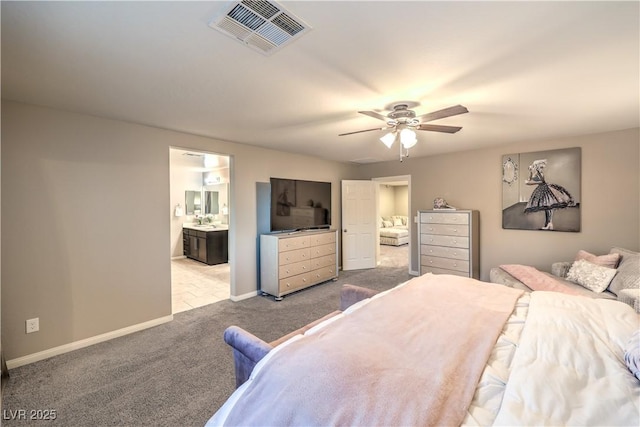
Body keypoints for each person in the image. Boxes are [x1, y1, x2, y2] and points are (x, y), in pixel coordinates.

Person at [524, 159, 575, 230]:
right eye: (540, 167)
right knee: (548, 207)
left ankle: (549, 223)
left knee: (549, 206)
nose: (541, 168)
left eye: (542, 167)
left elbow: (536, 182)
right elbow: (530, 180)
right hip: (542, 189)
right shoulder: (537, 173)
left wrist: (529, 182)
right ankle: (548, 224)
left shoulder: (540, 173)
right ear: (537, 167)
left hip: (545, 189)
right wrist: (530, 172)